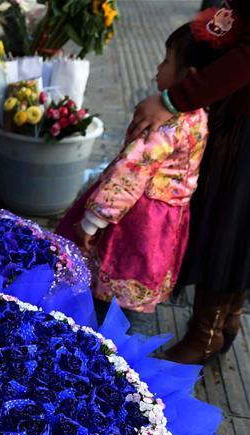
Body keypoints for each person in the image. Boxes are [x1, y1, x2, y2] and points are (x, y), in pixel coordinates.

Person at [56, 24, 218, 316]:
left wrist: (90, 223)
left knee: (106, 289)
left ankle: (96, 337)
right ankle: (125, 340)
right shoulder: (200, 117)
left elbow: (128, 175)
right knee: (133, 292)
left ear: (189, 77)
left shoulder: (163, 125)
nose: (158, 67)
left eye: (167, 61)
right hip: (166, 224)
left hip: (136, 223)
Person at [128, 2, 249, 364]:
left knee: (229, 221)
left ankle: (206, 334)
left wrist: (174, 97)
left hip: (243, 116)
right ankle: (222, 321)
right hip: (232, 104)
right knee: (234, 220)